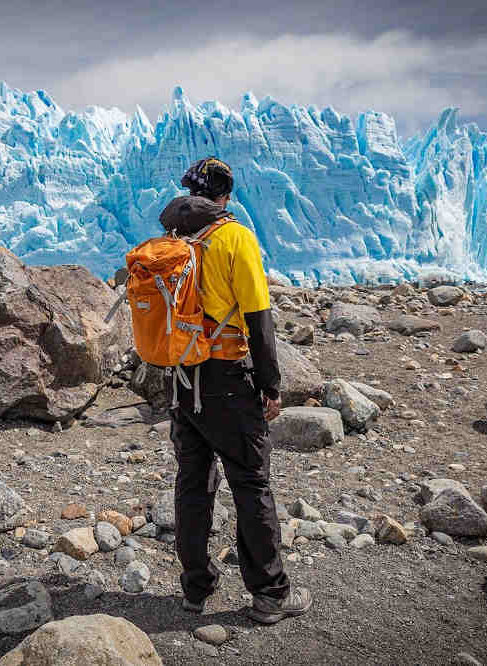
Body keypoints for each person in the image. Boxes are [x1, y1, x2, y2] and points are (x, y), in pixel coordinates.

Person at [158, 157, 312, 624]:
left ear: (189, 191)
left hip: (183, 381)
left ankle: (195, 588)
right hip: (227, 379)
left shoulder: (173, 239)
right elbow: (258, 319)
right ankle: (269, 594)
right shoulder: (234, 237)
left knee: (192, 484)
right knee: (250, 483)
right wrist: (271, 385)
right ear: (226, 195)